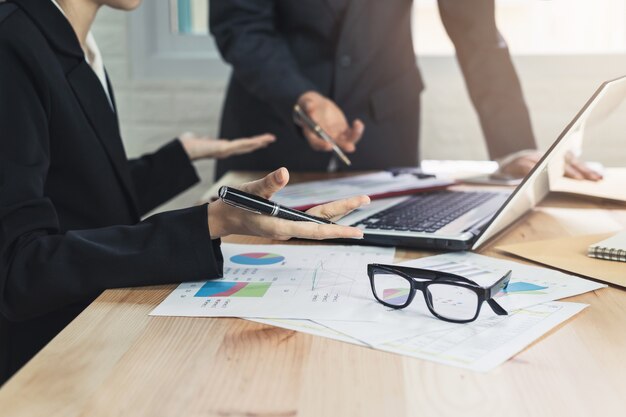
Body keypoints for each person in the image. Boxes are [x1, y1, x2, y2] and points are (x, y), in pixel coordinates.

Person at [0, 0, 368, 385]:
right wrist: (212, 221)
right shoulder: (13, 45)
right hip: (50, 361)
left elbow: (77, 200)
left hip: (95, 325)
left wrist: (177, 159)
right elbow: (19, 269)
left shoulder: (72, 41)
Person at [209, 0, 602, 181]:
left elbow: (477, 33)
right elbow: (240, 26)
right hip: (271, 117)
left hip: (384, 123)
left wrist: (515, 147)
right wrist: (301, 95)